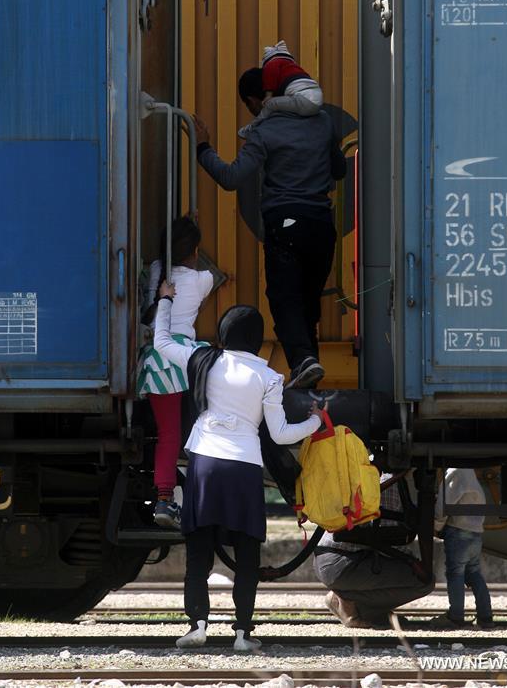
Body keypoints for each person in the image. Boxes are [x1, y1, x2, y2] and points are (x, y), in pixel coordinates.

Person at [153, 283, 325, 652]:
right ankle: (243, 635)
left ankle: (197, 626)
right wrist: (315, 422)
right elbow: (279, 435)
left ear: (225, 333)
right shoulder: (269, 377)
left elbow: (162, 344)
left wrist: (166, 300)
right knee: (247, 556)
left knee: (199, 551)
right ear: (258, 339)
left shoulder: (204, 359)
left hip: (204, 463)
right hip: (245, 468)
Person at [193, 69, 346, 391]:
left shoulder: (264, 130)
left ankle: (303, 361)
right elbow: (340, 169)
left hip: (287, 223)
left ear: (253, 100)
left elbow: (231, 178)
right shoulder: (322, 122)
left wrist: (202, 147)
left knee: (283, 298)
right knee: (307, 303)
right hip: (321, 225)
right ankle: (308, 375)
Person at [137, 217, 213, 530]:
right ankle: (201, 495)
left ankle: (165, 498)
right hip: (189, 361)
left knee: (168, 435)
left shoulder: (155, 272)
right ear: (194, 250)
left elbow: (146, 303)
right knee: (202, 432)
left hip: (156, 358)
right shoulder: (203, 278)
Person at [314, 473, 434, 627]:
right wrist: (411, 561)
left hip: (330, 558)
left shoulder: (373, 475)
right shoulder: (390, 484)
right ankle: (351, 603)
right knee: (424, 582)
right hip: (344, 564)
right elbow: (386, 534)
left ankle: (351, 602)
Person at [432, 467, 493, 629]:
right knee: (474, 573)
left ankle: (456, 616)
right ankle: (485, 616)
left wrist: (436, 525)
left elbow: (445, 503)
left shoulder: (456, 471)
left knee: (455, 573)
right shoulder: (471, 474)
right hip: (475, 533)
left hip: (459, 533)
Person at [238, 40, 323, 138]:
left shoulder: (266, 133)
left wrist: (268, 96)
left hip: (304, 100)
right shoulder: (324, 120)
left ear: (251, 101)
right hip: (316, 98)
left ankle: (250, 129)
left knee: (270, 104)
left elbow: (271, 74)